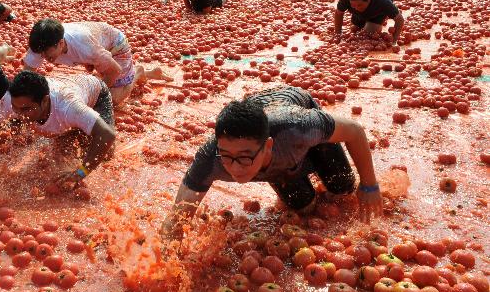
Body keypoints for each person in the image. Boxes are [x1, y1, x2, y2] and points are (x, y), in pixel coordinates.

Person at [161, 87, 383, 239]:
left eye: (245, 157)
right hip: (274, 145)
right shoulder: (210, 158)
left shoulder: (300, 126)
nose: (235, 168)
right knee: (304, 208)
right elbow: (177, 217)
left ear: (267, 146)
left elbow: (354, 131)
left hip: (293, 116)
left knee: (343, 189)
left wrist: (370, 184)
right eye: (227, 156)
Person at [0, 71, 116, 189]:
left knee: (105, 153)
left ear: (44, 101)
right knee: (62, 155)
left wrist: (81, 172)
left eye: (26, 109)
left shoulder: (68, 107)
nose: (19, 114)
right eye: (15, 108)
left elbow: (107, 135)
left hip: (96, 95)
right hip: (69, 89)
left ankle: (79, 128)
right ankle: (74, 130)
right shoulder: (11, 99)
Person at [24, 18, 171, 104]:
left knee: (113, 99)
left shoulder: (84, 46)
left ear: (61, 43)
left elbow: (114, 70)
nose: (42, 56)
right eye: (40, 53)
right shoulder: (40, 45)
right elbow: (26, 78)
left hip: (115, 45)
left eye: (46, 52)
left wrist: (97, 99)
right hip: (95, 46)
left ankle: (138, 72)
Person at [333, 0, 404, 47]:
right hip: (359, 14)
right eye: (353, 5)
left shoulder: (382, 1)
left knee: (369, 33)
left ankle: (376, 23)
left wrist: (394, 41)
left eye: (360, 5)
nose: (357, 8)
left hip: (377, 12)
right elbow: (339, 13)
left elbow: (399, 19)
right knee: (354, 29)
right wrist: (337, 34)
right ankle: (361, 19)